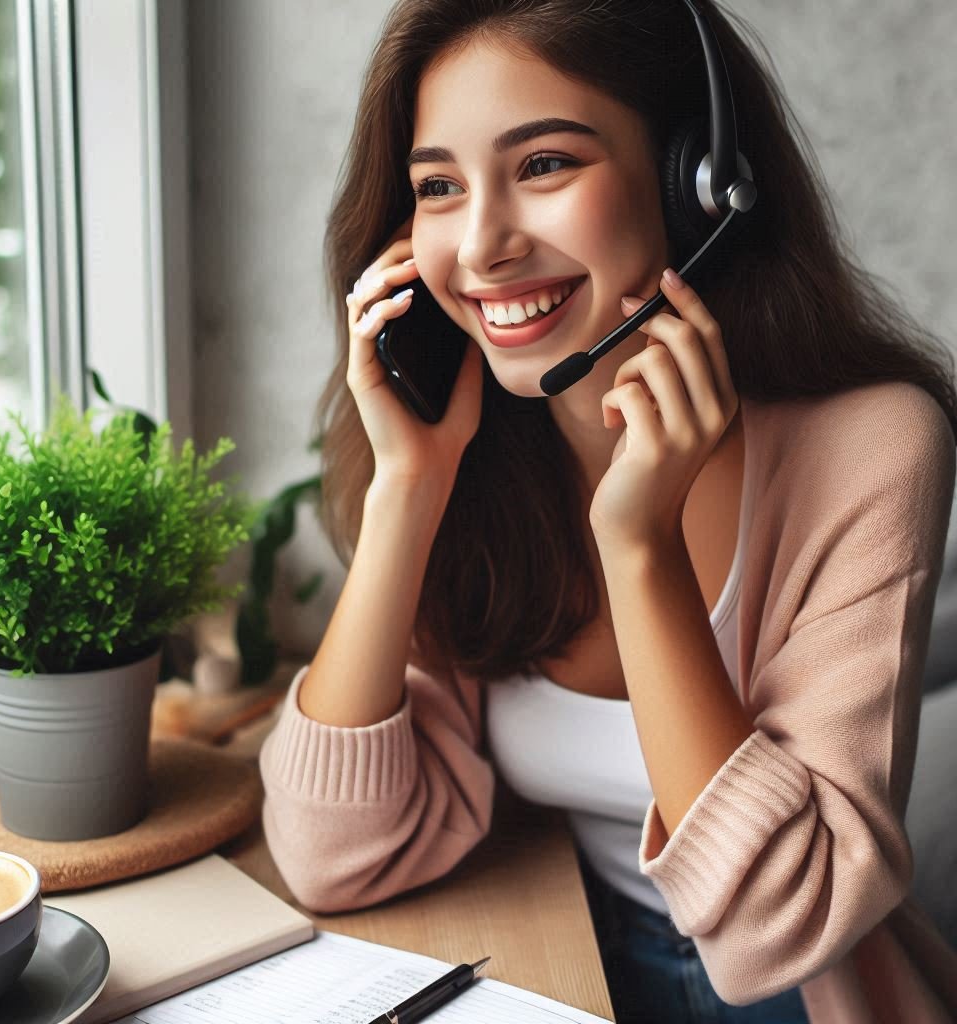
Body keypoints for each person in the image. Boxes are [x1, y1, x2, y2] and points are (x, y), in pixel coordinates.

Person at [258, 1, 957, 1021]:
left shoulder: (872, 444)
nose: (483, 246)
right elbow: (333, 859)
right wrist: (409, 490)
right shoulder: (470, 456)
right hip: (557, 962)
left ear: (700, 184)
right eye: (438, 187)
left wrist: (639, 545)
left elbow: (783, 922)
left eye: (543, 164)